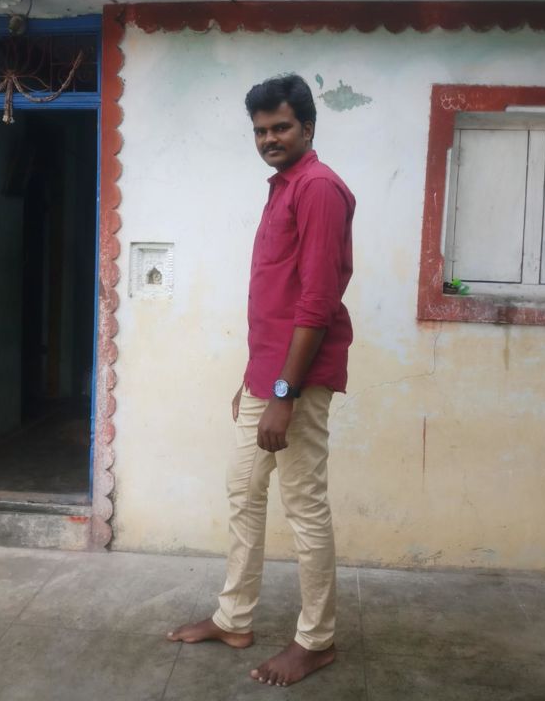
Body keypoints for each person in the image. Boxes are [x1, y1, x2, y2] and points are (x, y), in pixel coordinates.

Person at [167, 74, 355, 687]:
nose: (270, 139)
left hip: (295, 384)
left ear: (308, 128)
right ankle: (233, 618)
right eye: (260, 131)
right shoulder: (283, 188)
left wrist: (283, 394)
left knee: (303, 505)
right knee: (243, 491)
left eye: (281, 127)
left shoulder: (318, 189)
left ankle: (316, 640)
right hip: (267, 378)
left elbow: (317, 303)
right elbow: (276, 298)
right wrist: (253, 381)